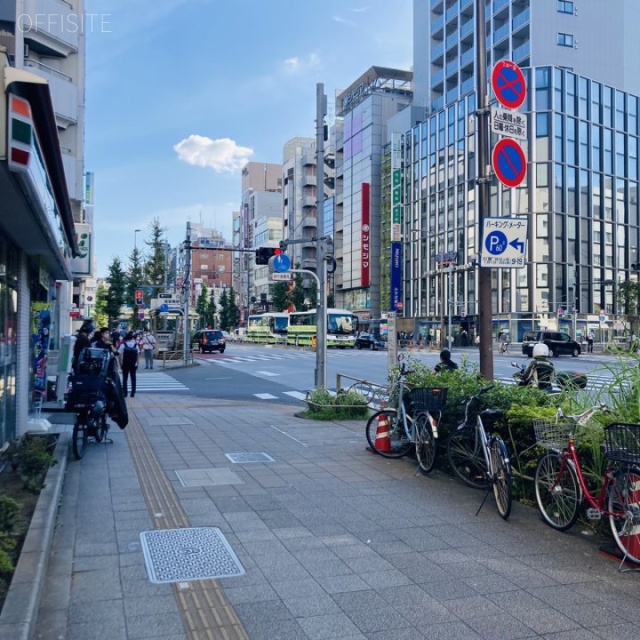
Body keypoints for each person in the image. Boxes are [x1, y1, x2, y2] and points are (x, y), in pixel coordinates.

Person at [118, 331, 140, 398]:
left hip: (125, 364)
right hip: (133, 364)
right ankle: (133, 393)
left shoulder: (123, 345)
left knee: (125, 378)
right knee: (133, 378)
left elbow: (120, 356)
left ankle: (125, 393)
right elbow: (138, 355)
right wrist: (137, 364)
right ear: (132, 338)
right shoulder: (136, 345)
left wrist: (121, 364)